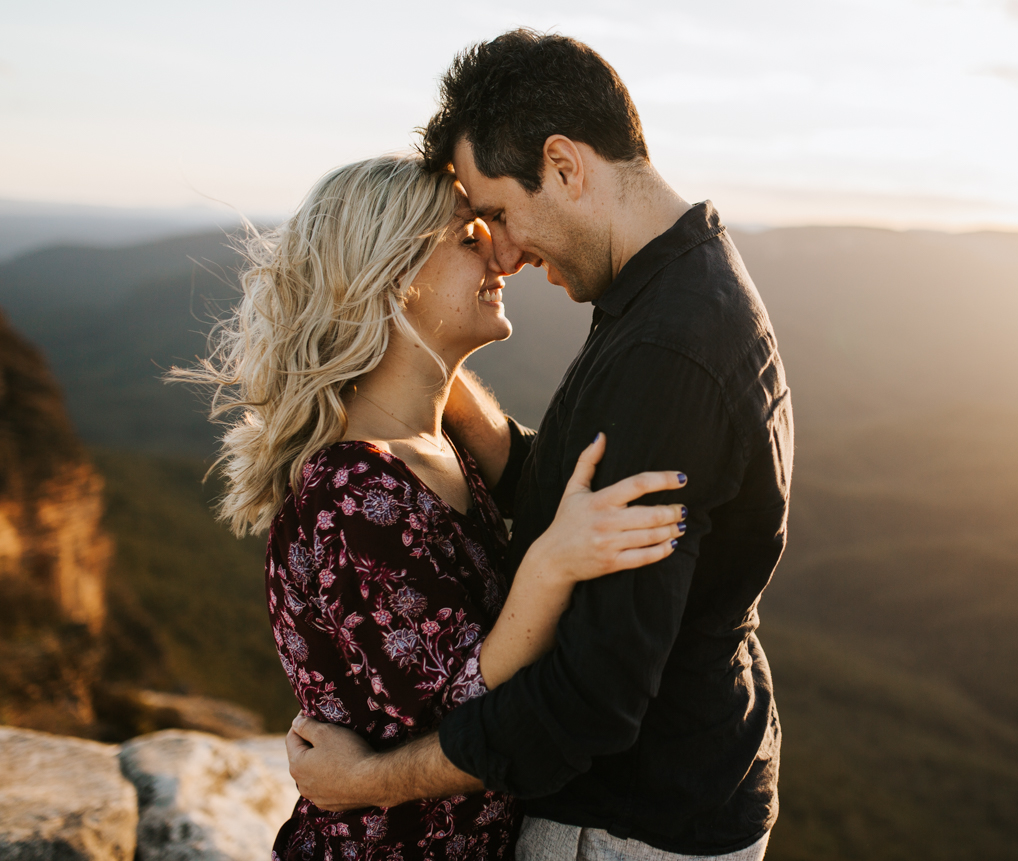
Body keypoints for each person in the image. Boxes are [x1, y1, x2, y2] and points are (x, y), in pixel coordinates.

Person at [287, 31, 794, 861]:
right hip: (667, 795)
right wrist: (423, 378)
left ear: (564, 165)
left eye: (497, 214)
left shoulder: (667, 354)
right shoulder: (671, 285)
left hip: (626, 820)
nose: (507, 251)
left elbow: (589, 698)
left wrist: (365, 784)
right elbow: (567, 488)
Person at [175, 154, 688, 861]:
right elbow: (463, 708)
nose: (502, 259)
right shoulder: (351, 495)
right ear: (394, 279)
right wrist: (552, 563)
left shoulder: (436, 446)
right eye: (469, 237)